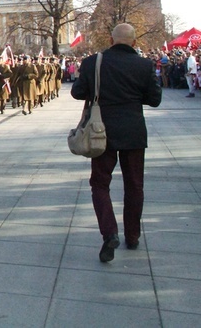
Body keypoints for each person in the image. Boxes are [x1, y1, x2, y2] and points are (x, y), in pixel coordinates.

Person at [72, 24, 162, 262]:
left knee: (100, 184)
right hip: (133, 132)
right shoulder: (144, 65)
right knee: (135, 185)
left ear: (111, 40)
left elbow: (77, 93)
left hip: (102, 131)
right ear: (134, 43)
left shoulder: (94, 62)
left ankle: (109, 232)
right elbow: (155, 100)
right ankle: (132, 236)